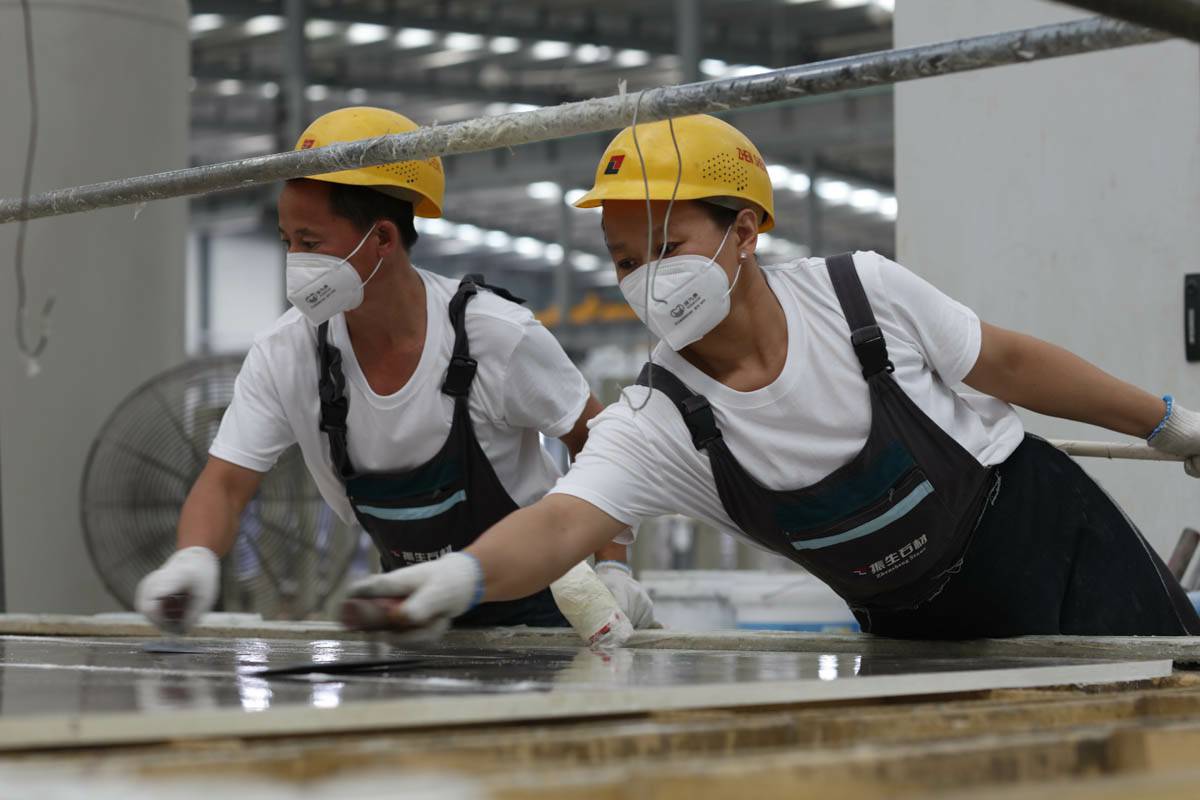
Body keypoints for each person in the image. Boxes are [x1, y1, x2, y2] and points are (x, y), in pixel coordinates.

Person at [348, 113, 1200, 640]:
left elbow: (1008, 363)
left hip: (1057, 550)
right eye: (625, 260)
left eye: (668, 247)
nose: (646, 279)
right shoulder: (659, 419)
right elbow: (561, 522)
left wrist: (1166, 423)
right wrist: (460, 577)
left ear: (746, 231)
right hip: (916, 627)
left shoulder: (860, 296)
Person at [135, 107, 655, 632]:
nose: (294, 260)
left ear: (383, 238)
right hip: (414, 613)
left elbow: (597, 442)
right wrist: (193, 558)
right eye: (286, 241)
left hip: (542, 613)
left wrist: (612, 566)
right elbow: (226, 483)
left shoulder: (495, 335)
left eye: (310, 243)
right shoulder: (286, 352)